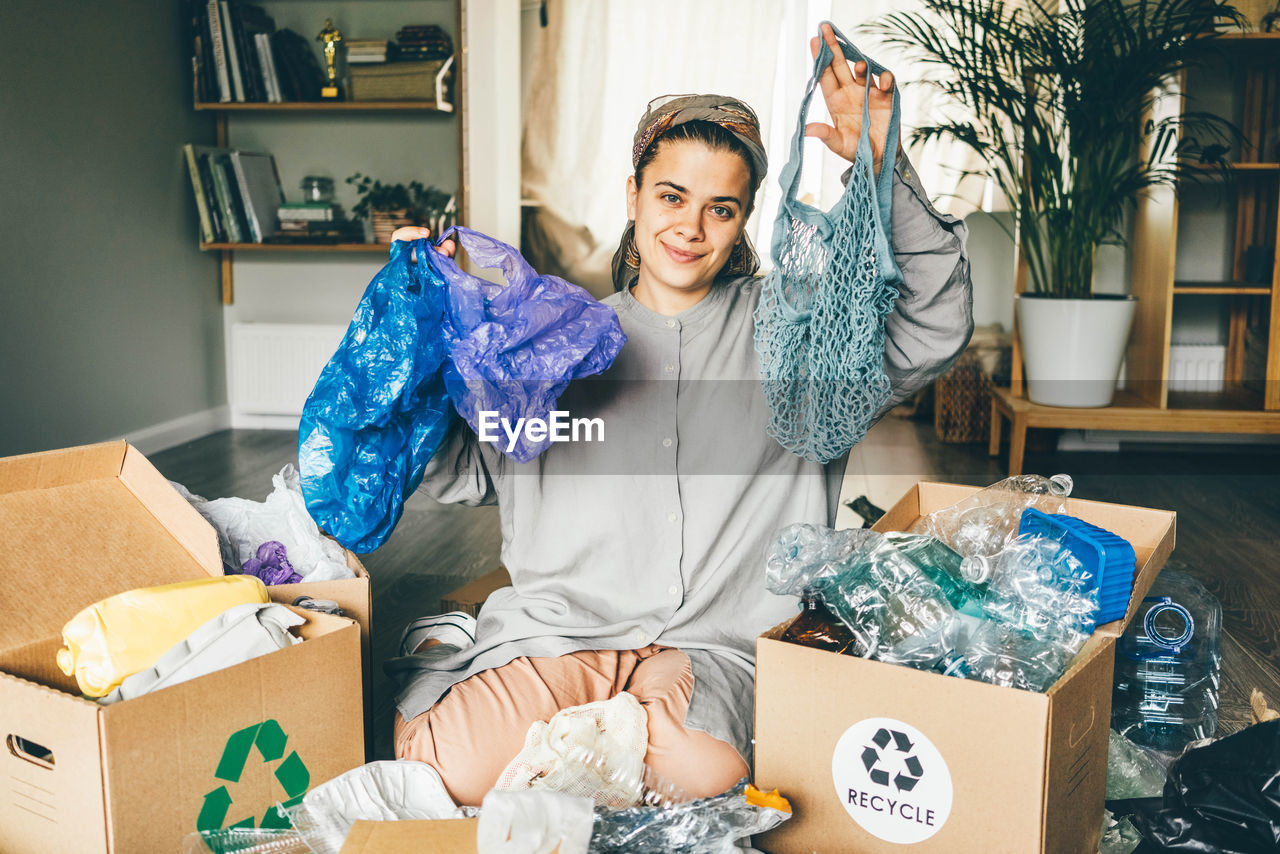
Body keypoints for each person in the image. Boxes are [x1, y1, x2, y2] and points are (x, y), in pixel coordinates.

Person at [384, 23, 973, 807]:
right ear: (632, 195)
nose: (690, 228)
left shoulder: (798, 335)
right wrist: (420, 334)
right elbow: (459, 473)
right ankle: (489, 674)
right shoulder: (549, 337)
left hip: (719, 644)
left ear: (744, 221)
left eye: (720, 208)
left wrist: (883, 164)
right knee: (436, 763)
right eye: (670, 196)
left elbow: (934, 323)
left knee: (706, 773)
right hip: (565, 633)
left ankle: (588, 745)